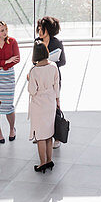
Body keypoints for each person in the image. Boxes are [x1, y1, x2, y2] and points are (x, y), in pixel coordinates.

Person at [28, 42, 60, 173]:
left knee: (40, 135)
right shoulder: (53, 66)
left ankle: (42, 163)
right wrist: (57, 101)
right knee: (49, 134)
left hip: (38, 105)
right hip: (50, 102)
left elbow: (32, 91)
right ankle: (49, 161)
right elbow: (56, 87)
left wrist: (28, 79)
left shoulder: (34, 71)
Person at [35, 15, 66, 145]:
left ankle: (57, 137)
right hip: (40, 78)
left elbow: (63, 61)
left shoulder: (56, 43)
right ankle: (42, 135)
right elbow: (34, 60)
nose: (40, 31)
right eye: (39, 28)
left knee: (55, 106)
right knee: (41, 107)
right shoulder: (37, 42)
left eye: (42, 29)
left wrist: (50, 62)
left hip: (53, 78)